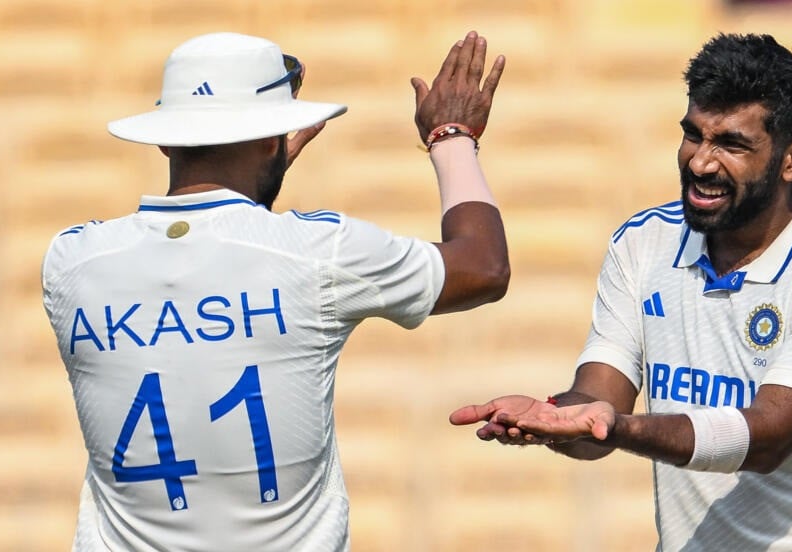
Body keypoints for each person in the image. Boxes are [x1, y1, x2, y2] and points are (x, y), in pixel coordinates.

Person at [41, 30, 507, 551]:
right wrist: (452, 134)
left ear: (164, 138)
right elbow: (483, 267)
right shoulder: (319, 251)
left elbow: (210, 254)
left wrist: (260, 165)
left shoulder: (71, 261)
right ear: (272, 137)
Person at [451, 33, 792, 551]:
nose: (700, 163)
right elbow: (600, 401)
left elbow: (767, 437)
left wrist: (617, 427)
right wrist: (562, 419)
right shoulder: (643, 242)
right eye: (693, 135)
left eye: (732, 144)